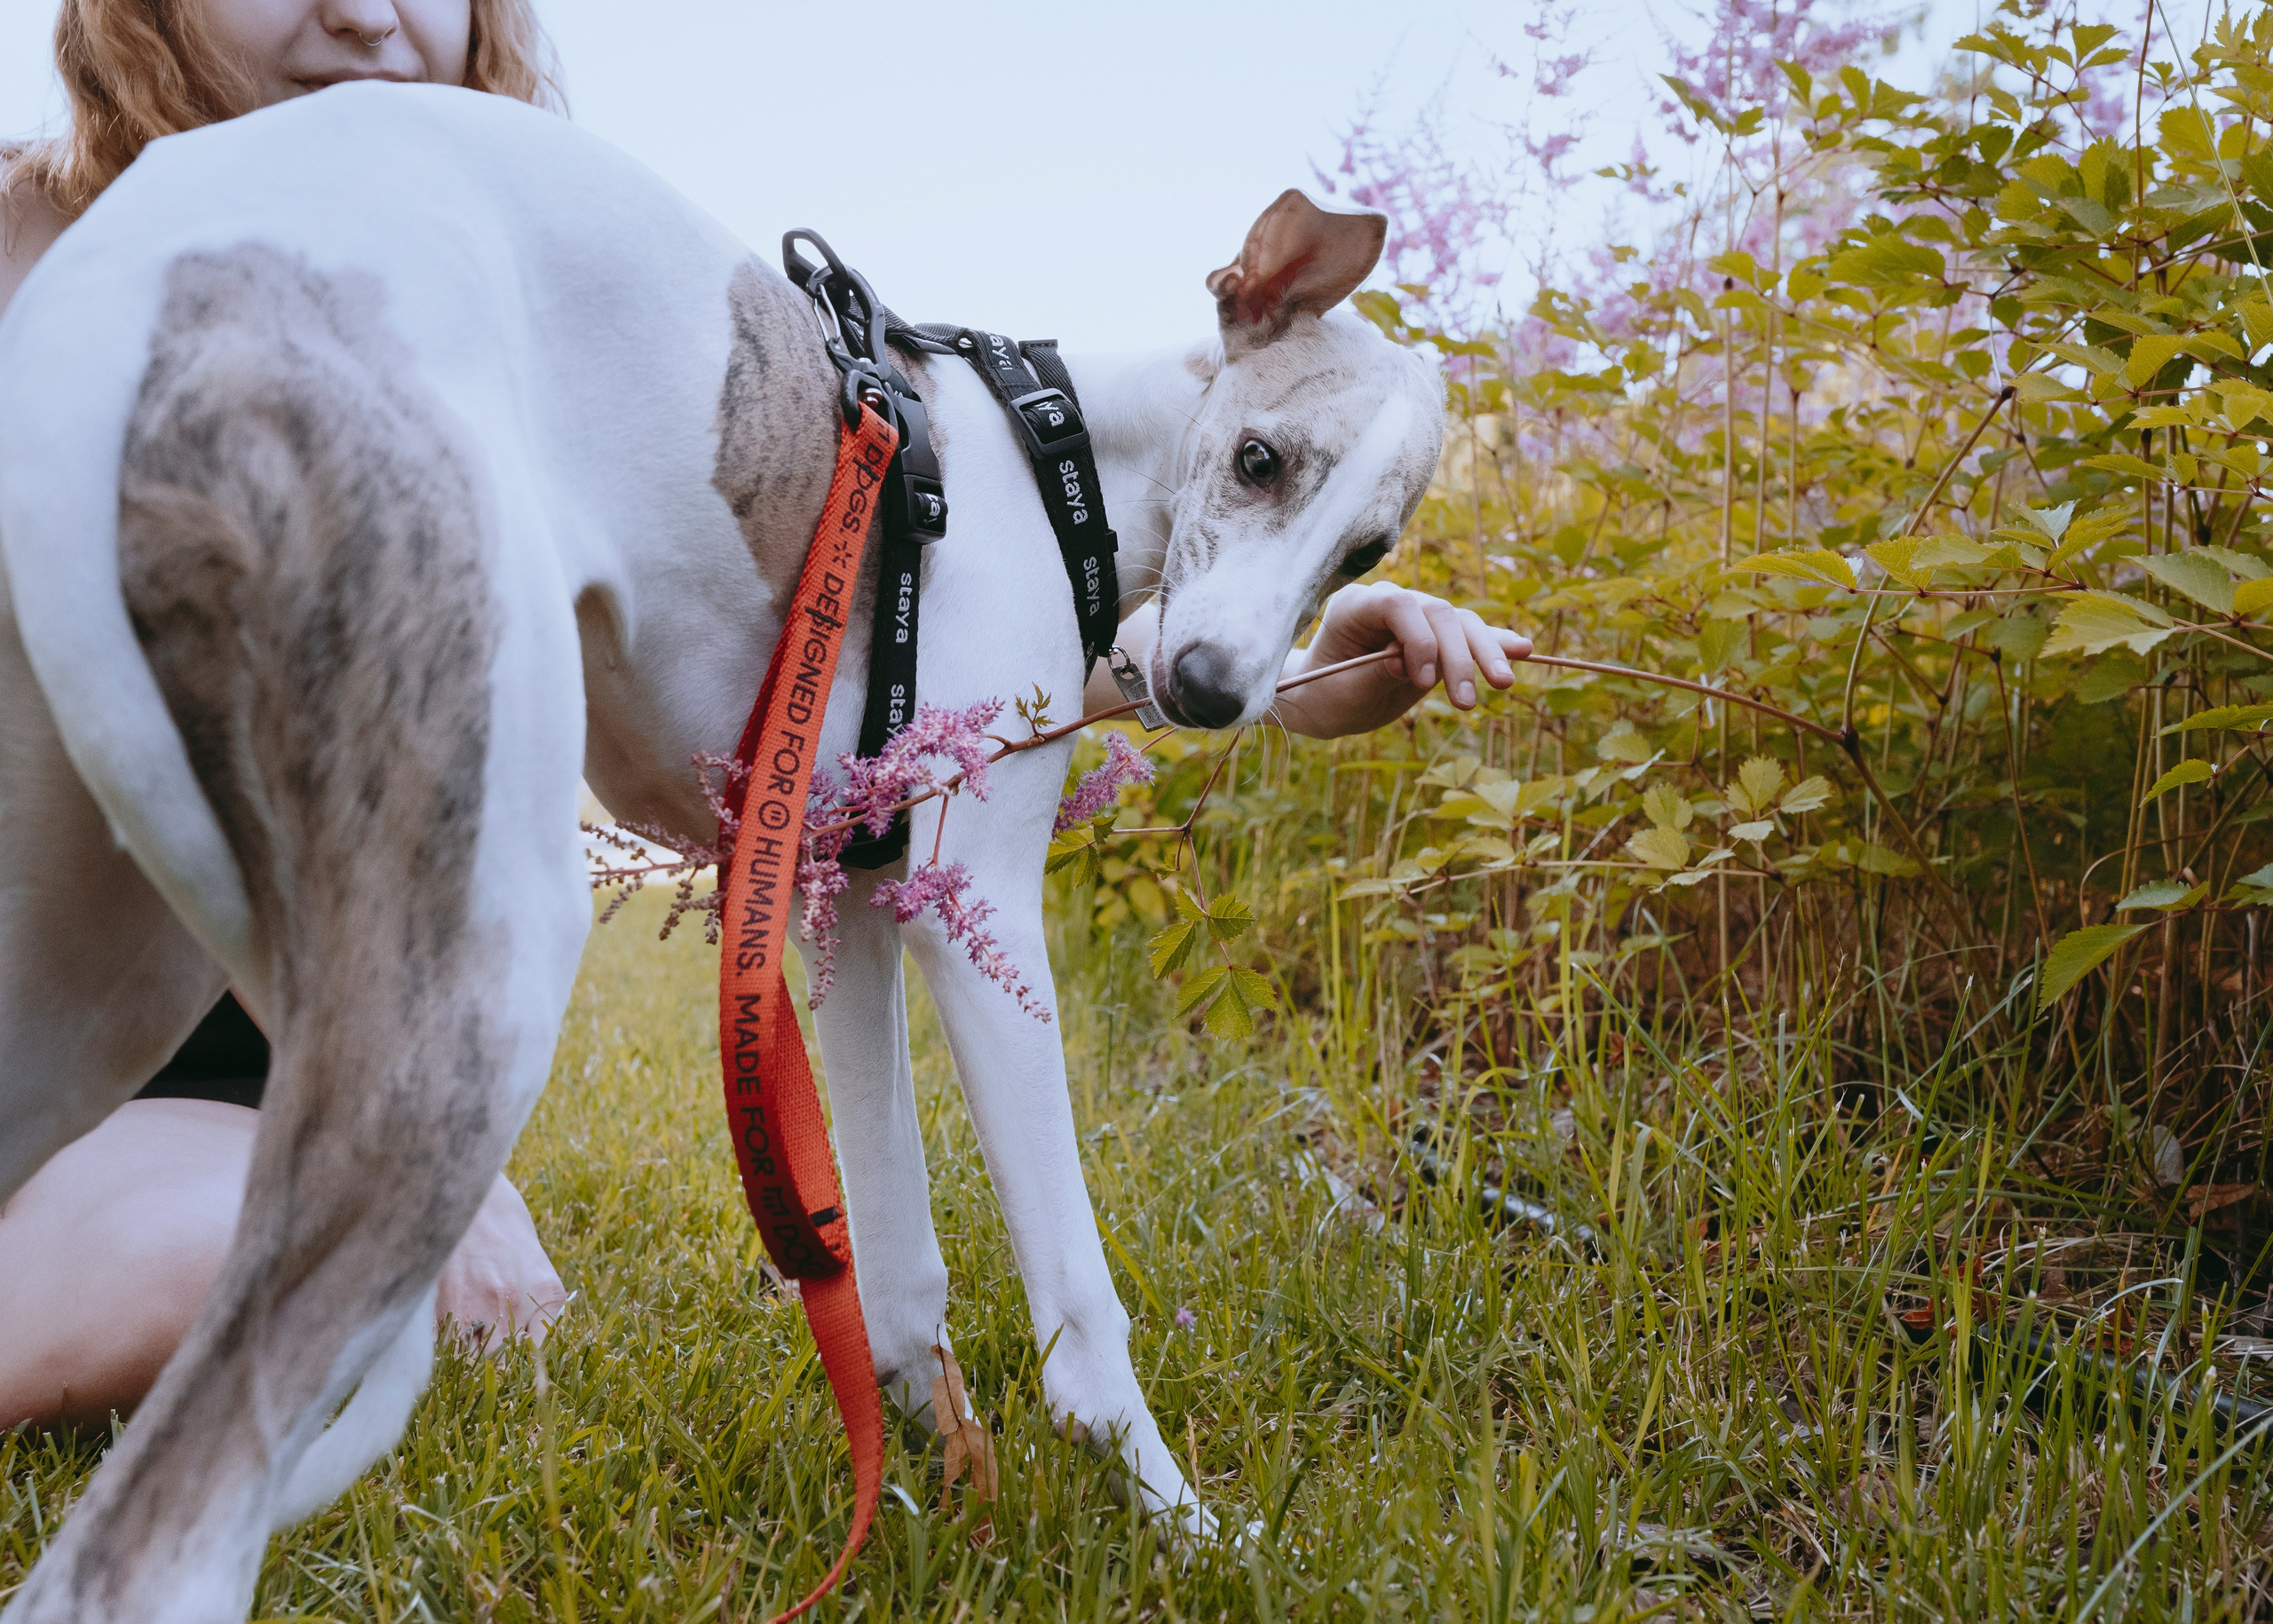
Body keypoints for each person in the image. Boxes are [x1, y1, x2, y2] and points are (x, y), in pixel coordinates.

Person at [0, 0, 1531, 1435]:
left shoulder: (510, 345)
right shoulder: (38, 272)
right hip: (74, 1023)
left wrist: (1311, 666)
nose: (364, 11)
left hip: (220, 1092)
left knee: (298, 1267)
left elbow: (911, 727)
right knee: (343, 1248)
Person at [0, 0, 569, 1434]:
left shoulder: (473, 335)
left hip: (187, 1112)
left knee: (221, 1261)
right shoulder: (24, 257)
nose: (368, 18)